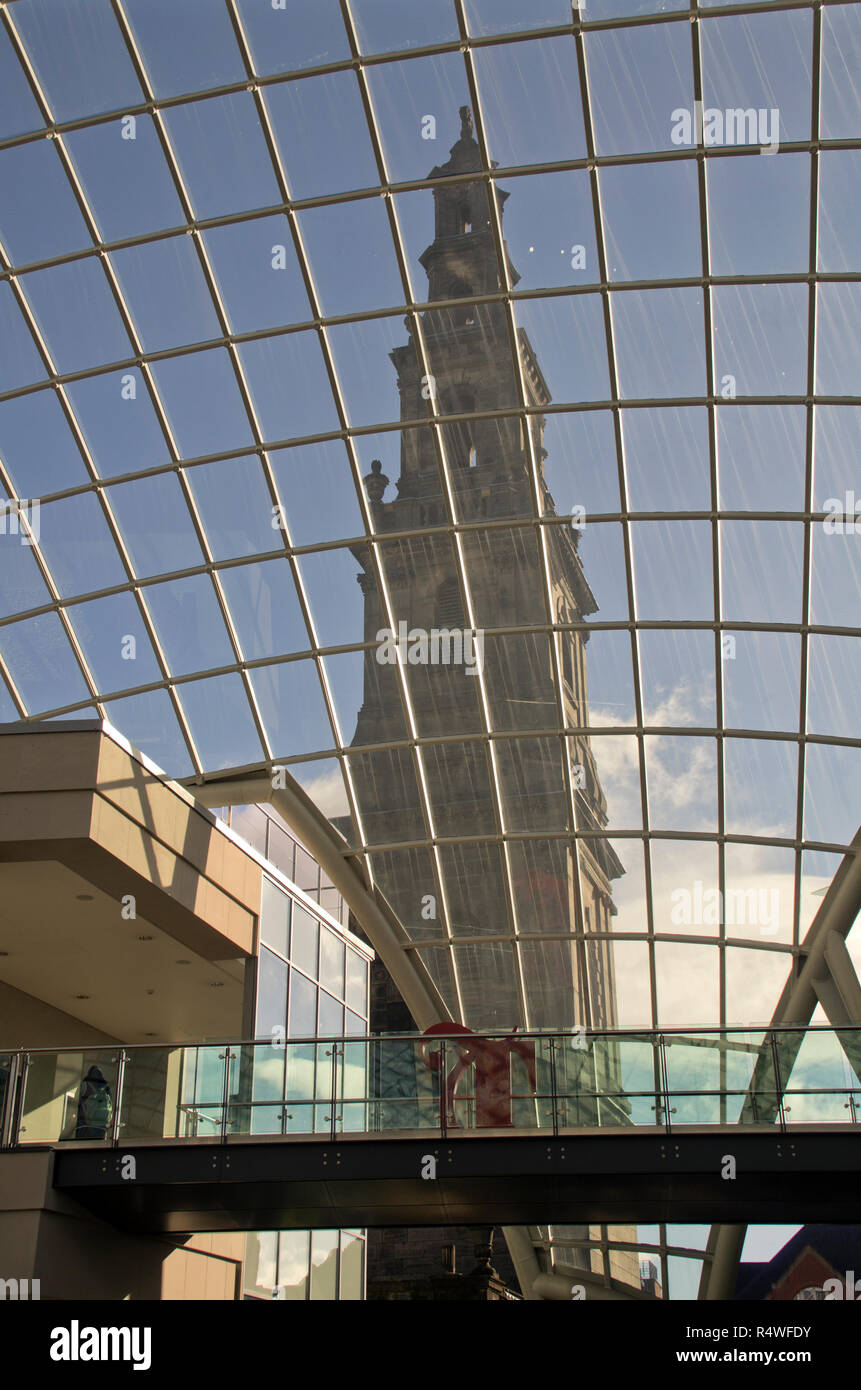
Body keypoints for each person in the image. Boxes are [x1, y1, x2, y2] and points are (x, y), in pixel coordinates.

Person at [75, 1065, 113, 1140]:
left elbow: (78, 1100)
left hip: (87, 1124)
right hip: (102, 1126)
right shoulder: (106, 1086)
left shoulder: (86, 1083)